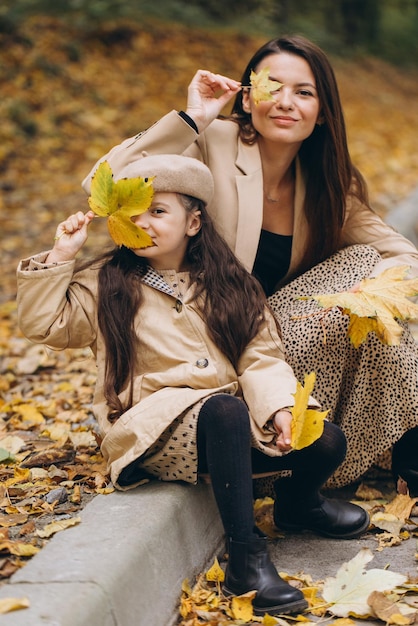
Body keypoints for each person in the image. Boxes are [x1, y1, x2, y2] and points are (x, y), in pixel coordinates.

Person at [17, 154, 369, 617]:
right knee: (224, 412)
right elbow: (44, 325)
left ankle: (298, 503)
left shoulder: (231, 285)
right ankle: (246, 557)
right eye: (131, 215)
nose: (142, 222)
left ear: (194, 221)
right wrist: (62, 257)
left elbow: (259, 357)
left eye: (158, 211)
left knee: (324, 438)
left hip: (226, 424)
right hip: (151, 427)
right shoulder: (105, 285)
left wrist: (280, 409)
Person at [81, 35, 418, 496]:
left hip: (268, 351)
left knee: (373, 279)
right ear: (246, 95)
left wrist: (372, 296)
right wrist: (193, 118)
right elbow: (106, 184)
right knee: (363, 275)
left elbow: (402, 255)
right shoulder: (211, 141)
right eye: (271, 86)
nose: (285, 102)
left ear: (323, 112)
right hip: (203, 351)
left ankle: (403, 456)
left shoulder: (325, 188)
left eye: (304, 92)